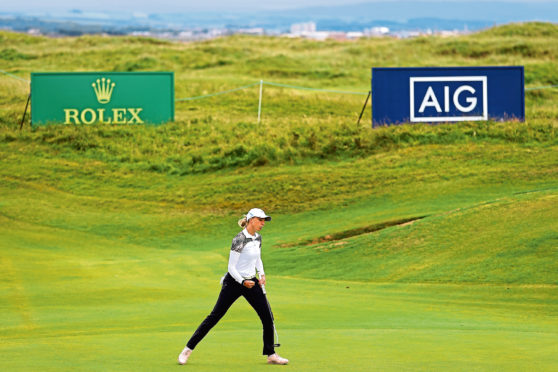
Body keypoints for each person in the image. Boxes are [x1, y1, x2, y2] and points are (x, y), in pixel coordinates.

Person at [178, 208, 289, 365]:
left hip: (251, 282)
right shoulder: (239, 239)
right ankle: (187, 350)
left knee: (267, 317)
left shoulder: (258, 238)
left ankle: (271, 354)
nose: (263, 223)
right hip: (234, 282)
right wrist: (243, 282)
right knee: (214, 316)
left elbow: (257, 258)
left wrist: (261, 273)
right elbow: (231, 267)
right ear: (251, 220)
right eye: (260, 220)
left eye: (264, 220)